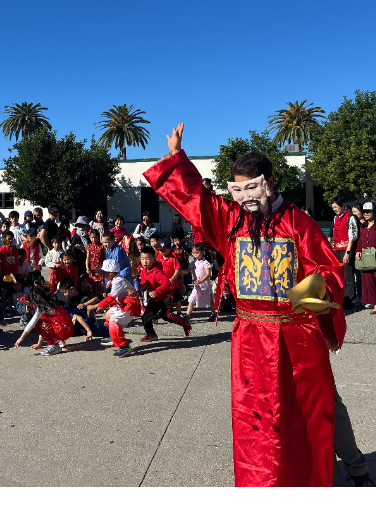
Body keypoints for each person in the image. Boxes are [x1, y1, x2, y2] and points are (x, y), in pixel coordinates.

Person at [145, 127, 346, 486]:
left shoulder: (298, 222)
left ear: (269, 182)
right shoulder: (232, 220)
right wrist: (176, 158)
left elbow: (328, 269)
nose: (245, 196)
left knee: (307, 415)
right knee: (256, 422)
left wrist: (304, 301)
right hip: (251, 338)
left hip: (296, 337)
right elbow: (198, 199)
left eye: (251, 187)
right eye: (237, 189)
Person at [14, 282, 93, 355]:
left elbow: (33, 323)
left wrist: (21, 338)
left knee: (38, 323)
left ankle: (53, 345)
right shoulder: (51, 303)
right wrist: (39, 343)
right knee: (44, 321)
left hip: (64, 330)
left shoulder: (42, 307)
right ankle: (59, 341)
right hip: (67, 328)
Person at [94, 275, 144, 356]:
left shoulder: (118, 281)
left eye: (105, 272)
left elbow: (111, 297)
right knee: (109, 315)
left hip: (130, 306)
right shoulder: (115, 279)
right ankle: (113, 337)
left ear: (110, 273)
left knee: (114, 321)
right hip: (123, 304)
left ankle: (125, 346)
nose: (104, 275)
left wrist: (97, 306)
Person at [355, 202, 376, 314]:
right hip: (366, 259)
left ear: (374, 212)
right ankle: (375, 306)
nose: (366, 213)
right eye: (364, 211)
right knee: (369, 282)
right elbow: (360, 241)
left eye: (369, 211)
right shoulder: (362, 227)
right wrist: (358, 251)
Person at [329, 196, 359, 310]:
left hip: (347, 249)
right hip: (337, 249)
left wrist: (347, 251)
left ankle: (350, 301)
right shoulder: (335, 218)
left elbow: (353, 236)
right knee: (340, 276)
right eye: (333, 208)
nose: (335, 209)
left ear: (343, 205)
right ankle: (343, 298)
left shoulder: (350, 217)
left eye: (336, 207)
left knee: (348, 276)